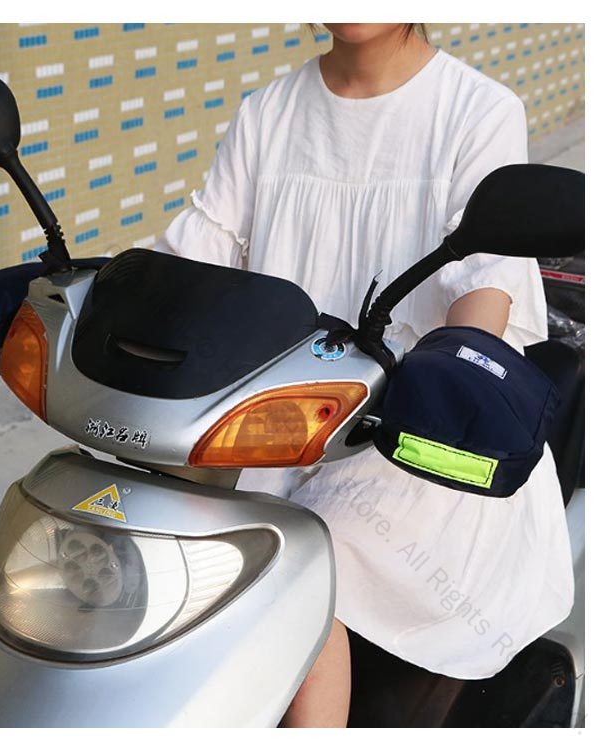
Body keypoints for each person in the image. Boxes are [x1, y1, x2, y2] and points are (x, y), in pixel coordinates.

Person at [154, 23, 574, 727]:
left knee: (293, 568)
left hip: (411, 439)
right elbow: (196, 253)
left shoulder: (477, 109)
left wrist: (458, 373)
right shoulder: (268, 111)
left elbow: (486, 281)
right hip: (277, 428)